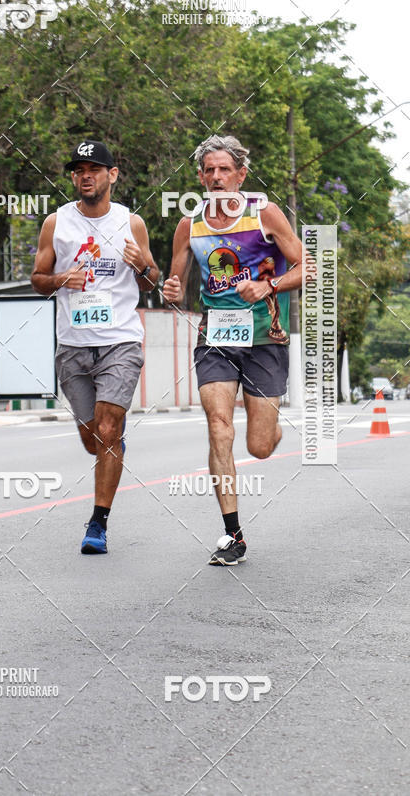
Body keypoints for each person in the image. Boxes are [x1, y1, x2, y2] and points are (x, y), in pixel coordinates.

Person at [163, 134, 304, 566]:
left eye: (225, 169)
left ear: (241, 175)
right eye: (209, 170)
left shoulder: (265, 215)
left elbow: (307, 266)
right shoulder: (190, 225)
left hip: (265, 337)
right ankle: (233, 534)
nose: (217, 177)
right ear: (201, 178)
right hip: (217, 337)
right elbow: (176, 283)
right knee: (219, 426)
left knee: (259, 445)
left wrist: (268, 285)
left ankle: (272, 427)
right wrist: (169, 289)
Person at [31, 139, 159, 554]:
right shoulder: (56, 223)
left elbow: (152, 280)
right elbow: (37, 278)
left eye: (93, 169)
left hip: (120, 339)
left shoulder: (130, 222)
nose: (85, 176)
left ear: (112, 175)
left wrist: (142, 265)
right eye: (78, 170)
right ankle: (112, 448)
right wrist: (58, 280)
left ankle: (98, 523)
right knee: (94, 438)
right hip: (73, 344)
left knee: (107, 428)